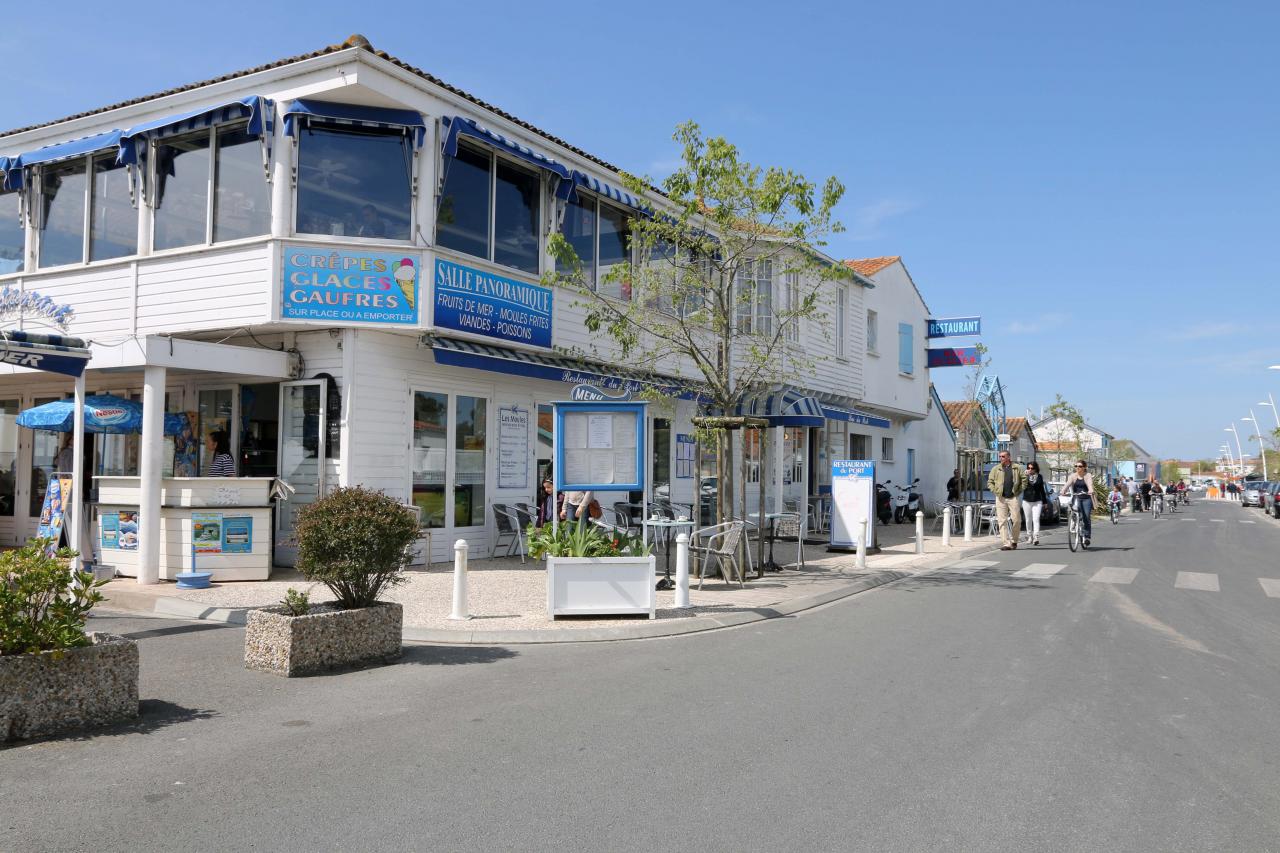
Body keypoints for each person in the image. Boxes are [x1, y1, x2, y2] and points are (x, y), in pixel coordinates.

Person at [986, 450, 1026, 551]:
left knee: (1017, 520)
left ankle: (1014, 541)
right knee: (1002, 521)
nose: (1001, 458)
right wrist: (995, 490)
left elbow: (1024, 480)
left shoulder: (1017, 468)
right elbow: (990, 482)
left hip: (1013, 497)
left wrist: (1019, 491)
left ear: (1009, 457)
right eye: (1000, 456)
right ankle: (1006, 543)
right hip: (1001, 498)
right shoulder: (996, 469)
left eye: (1003, 456)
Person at [1021, 461, 1048, 546]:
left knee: (1036, 519)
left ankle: (1036, 536)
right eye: (1028, 468)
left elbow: (1042, 490)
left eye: (1032, 468)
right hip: (1026, 500)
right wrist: (1025, 476)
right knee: (1028, 519)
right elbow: (1022, 486)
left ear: (1035, 469)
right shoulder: (1024, 476)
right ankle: (1029, 536)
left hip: (1037, 501)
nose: (1030, 470)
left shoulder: (1039, 477)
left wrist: (1045, 502)